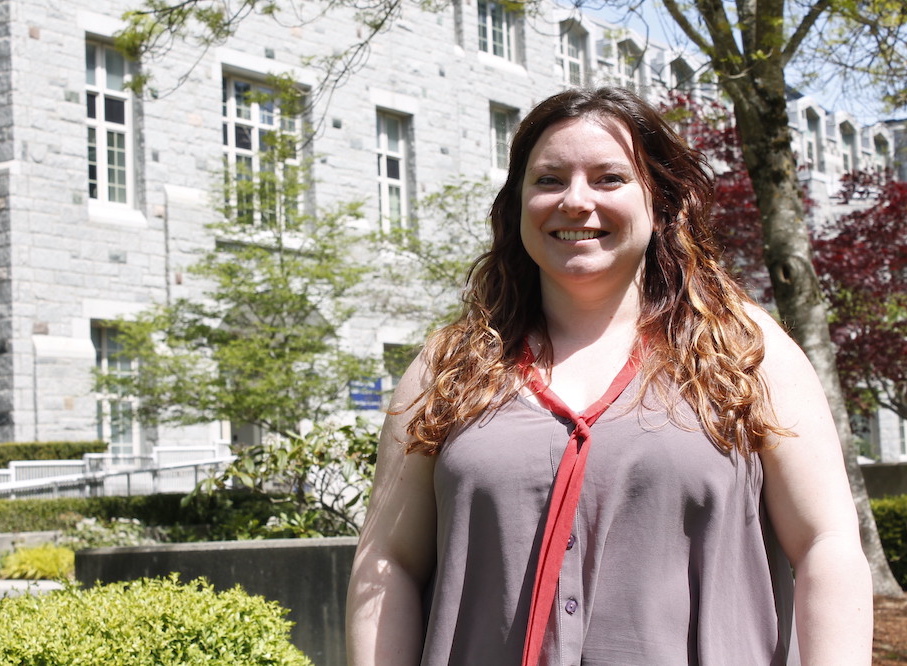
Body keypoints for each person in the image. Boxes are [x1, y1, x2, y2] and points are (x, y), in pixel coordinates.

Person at [346, 87, 872, 665]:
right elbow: (387, 562)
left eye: (608, 178)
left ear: (661, 201)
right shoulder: (448, 366)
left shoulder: (746, 350)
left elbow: (828, 546)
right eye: (548, 180)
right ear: (517, 203)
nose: (575, 200)